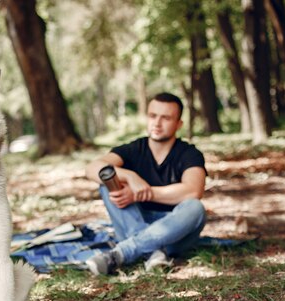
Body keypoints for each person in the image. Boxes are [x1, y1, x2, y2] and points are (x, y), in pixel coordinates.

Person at [84, 92, 207, 275]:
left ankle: (123, 252)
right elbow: (92, 168)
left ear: (178, 124)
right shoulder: (133, 149)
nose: (157, 123)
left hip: (174, 228)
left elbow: (192, 191)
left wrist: (141, 193)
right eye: (152, 116)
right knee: (108, 182)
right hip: (134, 221)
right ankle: (154, 253)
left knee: (195, 208)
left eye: (165, 118)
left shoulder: (189, 154)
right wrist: (130, 176)